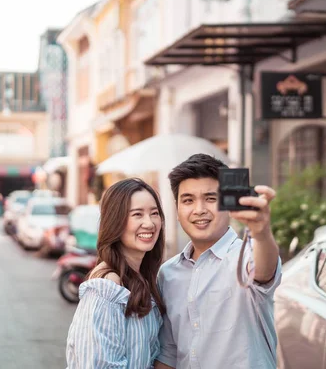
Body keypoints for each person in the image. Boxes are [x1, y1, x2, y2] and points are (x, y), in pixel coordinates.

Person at [155, 154, 282, 369]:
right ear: (177, 209)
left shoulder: (245, 257)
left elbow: (263, 270)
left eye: (211, 198)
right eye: (188, 200)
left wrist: (262, 232)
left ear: (228, 205)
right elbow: (169, 351)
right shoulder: (167, 273)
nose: (199, 210)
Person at [66, 178, 167, 369]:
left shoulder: (143, 280)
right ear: (116, 221)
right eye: (137, 214)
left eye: (154, 213)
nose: (149, 223)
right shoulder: (106, 288)